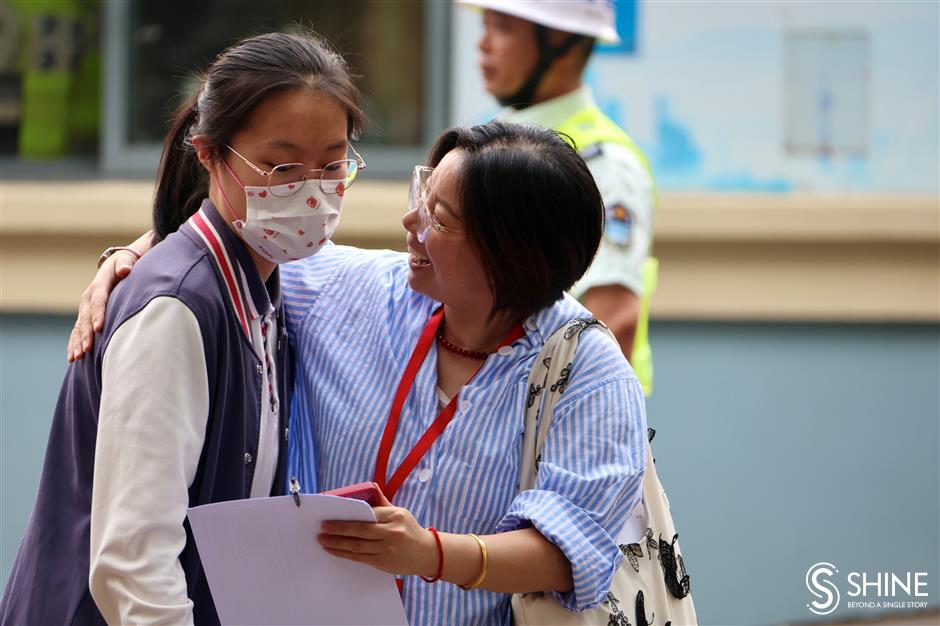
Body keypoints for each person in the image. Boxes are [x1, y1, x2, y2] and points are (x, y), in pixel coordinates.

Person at [66, 121, 648, 625]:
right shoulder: (345, 290)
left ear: (511, 253)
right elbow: (226, 250)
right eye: (421, 192)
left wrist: (431, 554)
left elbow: (569, 548)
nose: (410, 220)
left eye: (439, 218)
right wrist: (135, 255)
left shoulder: (585, 370)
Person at [1, 31, 364, 625]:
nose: (312, 191)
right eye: (281, 166)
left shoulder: (267, 287)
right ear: (208, 153)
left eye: (333, 164)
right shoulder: (177, 307)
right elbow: (134, 565)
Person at [461, 0, 658, 395]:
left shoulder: (603, 164)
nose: (483, 44)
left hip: (559, 425)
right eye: (485, 26)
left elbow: (613, 316)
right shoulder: (493, 138)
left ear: (562, 42)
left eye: (502, 27)